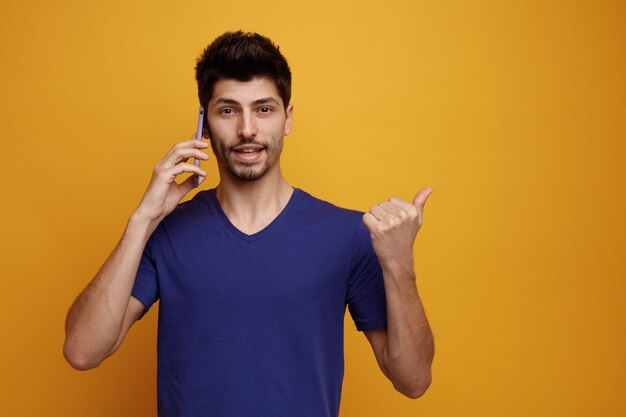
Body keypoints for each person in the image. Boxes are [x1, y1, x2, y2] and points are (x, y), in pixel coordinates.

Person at [63, 31, 434, 417]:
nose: (247, 130)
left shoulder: (349, 235)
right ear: (204, 123)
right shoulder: (165, 232)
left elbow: (413, 380)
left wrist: (399, 265)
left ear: (287, 118)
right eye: (228, 110)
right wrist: (142, 220)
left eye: (264, 109)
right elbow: (82, 351)